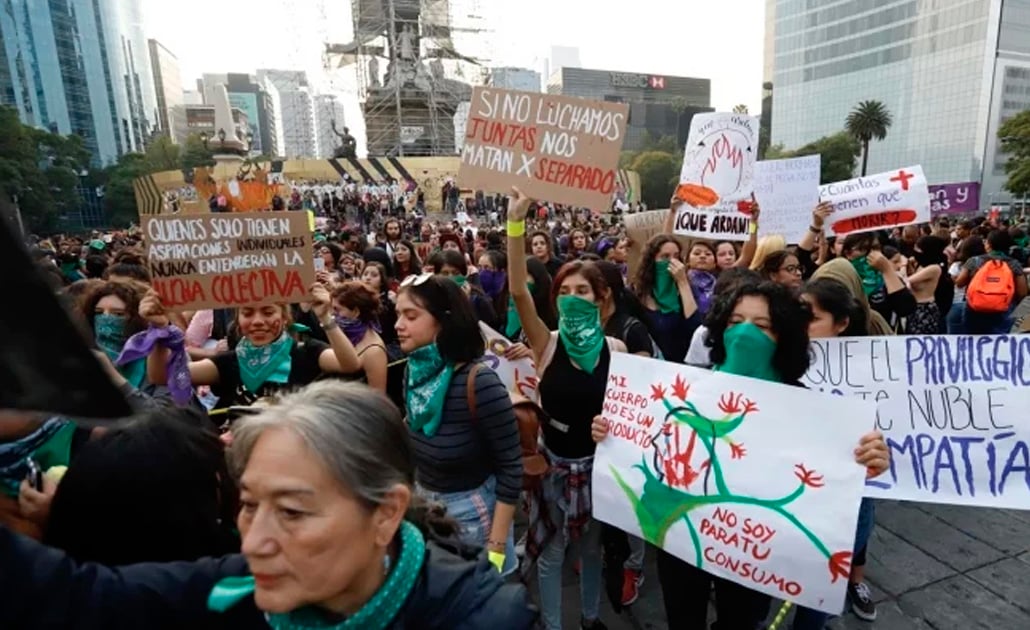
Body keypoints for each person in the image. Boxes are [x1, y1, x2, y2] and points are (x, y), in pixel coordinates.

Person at [0, 381, 538, 629]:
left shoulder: (484, 618)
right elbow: (75, 598)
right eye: (249, 504)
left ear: (387, 513)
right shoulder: (234, 593)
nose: (253, 541)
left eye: (293, 512)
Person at [592, 281, 890, 629]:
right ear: (720, 328)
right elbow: (646, 438)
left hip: (750, 550)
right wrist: (608, 431)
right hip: (680, 538)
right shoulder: (688, 386)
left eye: (762, 326)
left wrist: (867, 461)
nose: (746, 333)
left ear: (785, 335)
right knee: (683, 619)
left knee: (741, 621)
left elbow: (832, 472)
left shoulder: (810, 407)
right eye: (735, 322)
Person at [507, 187, 626, 630]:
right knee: (553, 552)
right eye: (565, 290)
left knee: (591, 549)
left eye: (584, 290)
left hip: (598, 468)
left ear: (600, 299)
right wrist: (515, 225)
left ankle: (592, 617)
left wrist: (612, 426)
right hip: (553, 465)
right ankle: (555, 625)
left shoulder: (617, 350)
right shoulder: (547, 342)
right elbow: (519, 290)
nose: (574, 296)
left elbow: (636, 413)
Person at [394, 273, 522, 575]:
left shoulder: (480, 383)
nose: (398, 325)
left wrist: (497, 547)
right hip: (425, 510)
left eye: (411, 316)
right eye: (398, 314)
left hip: (475, 518)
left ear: (443, 321)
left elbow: (511, 467)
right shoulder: (413, 373)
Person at [140, 285, 362, 409]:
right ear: (237, 320)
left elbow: (350, 364)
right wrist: (159, 329)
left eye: (267, 312)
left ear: (284, 318)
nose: (257, 321)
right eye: (247, 313)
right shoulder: (229, 362)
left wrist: (325, 317)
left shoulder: (307, 351)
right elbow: (162, 376)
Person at [331, 281, 389, 392]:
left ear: (356, 311)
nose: (333, 315)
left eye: (337, 309)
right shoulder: (344, 335)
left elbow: (378, 397)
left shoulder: (374, 350)